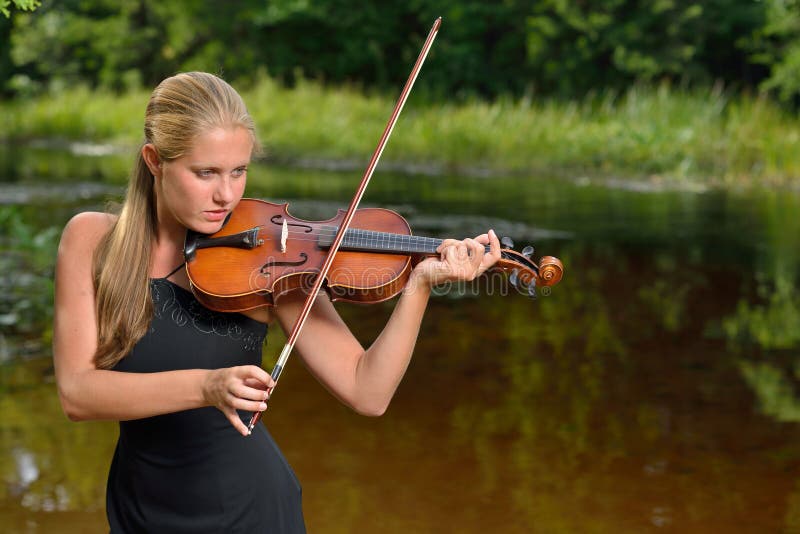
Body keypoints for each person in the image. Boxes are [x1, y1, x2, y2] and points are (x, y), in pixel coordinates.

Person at [53, 71, 501, 533]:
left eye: (238, 171)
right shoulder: (90, 241)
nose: (226, 195)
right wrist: (207, 386)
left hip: (250, 514)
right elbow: (78, 394)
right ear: (154, 160)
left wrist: (421, 283)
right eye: (205, 173)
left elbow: (368, 391)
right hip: (140, 511)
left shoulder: (271, 258)